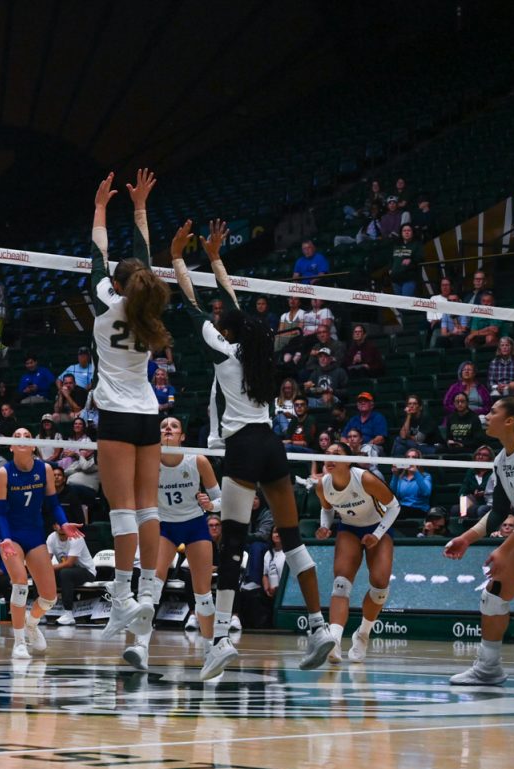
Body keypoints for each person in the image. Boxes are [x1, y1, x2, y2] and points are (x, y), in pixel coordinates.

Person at [170, 218, 335, 680]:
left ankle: (220, 639)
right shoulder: (260, 349)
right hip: (272, 445)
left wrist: (179, 258)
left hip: (242, 449)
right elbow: (238, 307)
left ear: (229, 331)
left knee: (234, 544)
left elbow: (191, 302)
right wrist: (217, 257)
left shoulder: (224, 351)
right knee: (295, 537)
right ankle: (321, 627)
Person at [88, 170, 173, 646]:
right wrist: (140, 207)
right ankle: (144, 595)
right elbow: (140, 259)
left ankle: (122, 600)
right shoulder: (150, 309)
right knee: (146, 508)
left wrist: (101, 205)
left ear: (118, 284)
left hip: (118, 414)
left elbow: (98, 252)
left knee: (121, 509)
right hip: (148, 412)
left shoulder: (106, 303)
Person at [444, 397, 514, 685]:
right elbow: (500, 512)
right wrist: (466, 538)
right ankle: (489, 668)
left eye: (493, 411)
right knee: (493, 595)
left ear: (510, 421)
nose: (486, 415)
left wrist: (505, 549)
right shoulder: (502, 459)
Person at [0, 428, 82, 660]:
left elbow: (54, 504)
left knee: (49, 597)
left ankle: (31, 623)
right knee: (20, 585)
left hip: (35, 535)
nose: (22, 438)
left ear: (33, 445)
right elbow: (1, 513)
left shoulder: (44, 469)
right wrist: (4, 538)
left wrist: (63, 524)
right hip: (11, 536)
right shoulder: (4, 473)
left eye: (27, 435)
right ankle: (19, 642)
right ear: (11, 447)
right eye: (17, 436)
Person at [146, 417, 222, 669]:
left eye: (174, 426)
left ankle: (211, 648)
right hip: (165, 526)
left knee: (203, 592)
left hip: (195, 524)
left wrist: (211, 506)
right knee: (152, 584)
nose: (168, 428)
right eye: (164, 426)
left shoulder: (198, 460)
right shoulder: (149, 460)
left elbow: (220, 501)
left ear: (182, 436)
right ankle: (141, 643)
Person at [314, 443, 400, 662]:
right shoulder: (322, 485)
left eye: (337, 454)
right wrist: (325, 526)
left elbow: (395, 506)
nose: (330, 458)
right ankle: (333, 642)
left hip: (378, 527)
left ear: (349, 460)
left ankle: (362, 634)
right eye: (328, 454)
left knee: (380, 586)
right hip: (349, 529)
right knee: (341, 583)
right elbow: (327, 509)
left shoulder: (365, 479)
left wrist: (378, 535)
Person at [48, 523, 96, 626]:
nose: (60, 526)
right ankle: (40, 614)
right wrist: (43, 569)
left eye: (63, 524)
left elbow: (70, 563)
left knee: (66, 573)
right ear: (53, 526)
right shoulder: (51, 537)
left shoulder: (76, 537)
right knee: (40, 574)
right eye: (58, 524)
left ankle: (68, 614)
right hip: (66, 571)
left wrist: (49, 568)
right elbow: (47, 560)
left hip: (87, 571)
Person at [389, 449, 433, 519]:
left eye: (414, 457)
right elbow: (392, 495)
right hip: (402, 509)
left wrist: (416, 473)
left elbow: (426, 493)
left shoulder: (426, 476)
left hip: (419, 509)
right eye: (408, 457)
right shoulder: (401, 477)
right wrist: (395, 475)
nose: (410, 459)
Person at [456, 445, 495, 521]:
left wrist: (483, 492)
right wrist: (468, 496)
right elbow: (463, 490)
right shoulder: (471, 472)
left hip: (489, 502)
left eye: (484, 455)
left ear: (490, 459)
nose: (480, 457)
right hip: (473, 501)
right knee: (456, 509)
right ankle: (464, 525)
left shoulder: (493, 472)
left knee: (481, 510)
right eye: (478, 454)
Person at [342, 392, 388, 456]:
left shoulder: (378, 418)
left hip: (373, 447)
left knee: (368, 449)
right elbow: (343, 437)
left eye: (366, 401)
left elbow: (380, 438)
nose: (362, 403)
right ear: (357, 406)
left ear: (372, 405)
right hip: (354, 447)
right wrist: (348, 445)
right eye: (360, 402)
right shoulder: (353, 420)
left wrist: (363, 447)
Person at [389, 223, 422, 297]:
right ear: (401, 233)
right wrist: (390, 269)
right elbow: (391, 259)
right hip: (395, 278)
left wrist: (411, 260)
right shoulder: (396, 245)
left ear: (412, 232)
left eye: (409, 230)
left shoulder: (417, 244)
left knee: (406, 304)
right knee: (399, 305)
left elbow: (420, 257)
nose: (406, 232)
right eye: (404, 231)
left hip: (409, 279)